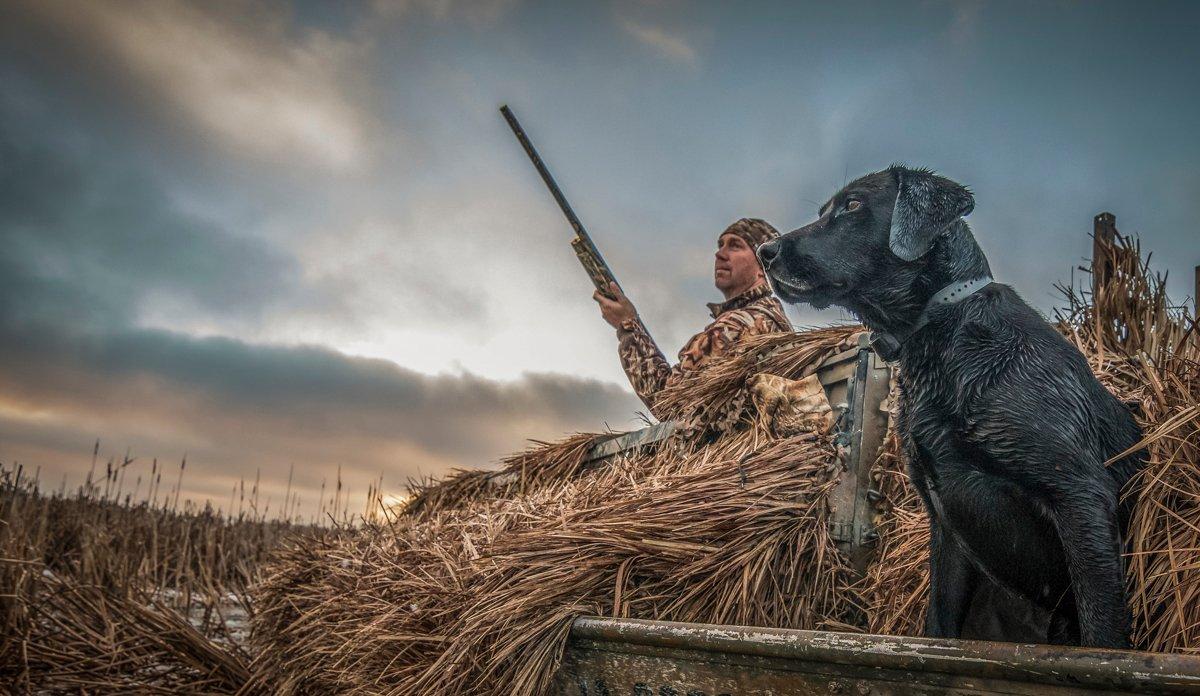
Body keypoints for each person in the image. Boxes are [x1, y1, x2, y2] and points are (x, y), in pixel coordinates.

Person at [594, 218, 793, 418]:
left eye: (735, 246)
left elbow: (667, 401)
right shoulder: (771, 316)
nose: (719, 254)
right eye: (720, 245)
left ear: (763, 267)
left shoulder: (739, 325)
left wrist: (627, 327)